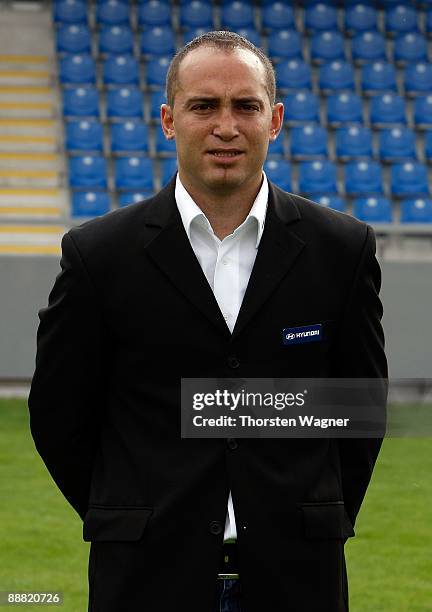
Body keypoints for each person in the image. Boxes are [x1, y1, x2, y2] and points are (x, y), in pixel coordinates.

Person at [28, 31, 387, 612]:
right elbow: (59, 414)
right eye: (204, 105)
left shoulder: (339, 248)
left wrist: (315, 514)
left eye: (246, 105)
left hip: (298, 580)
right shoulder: (100, 255)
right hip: (145, 579)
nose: (226, 125)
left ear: (274, 120)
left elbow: (359, 409)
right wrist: (128, 514)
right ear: (170, 120)